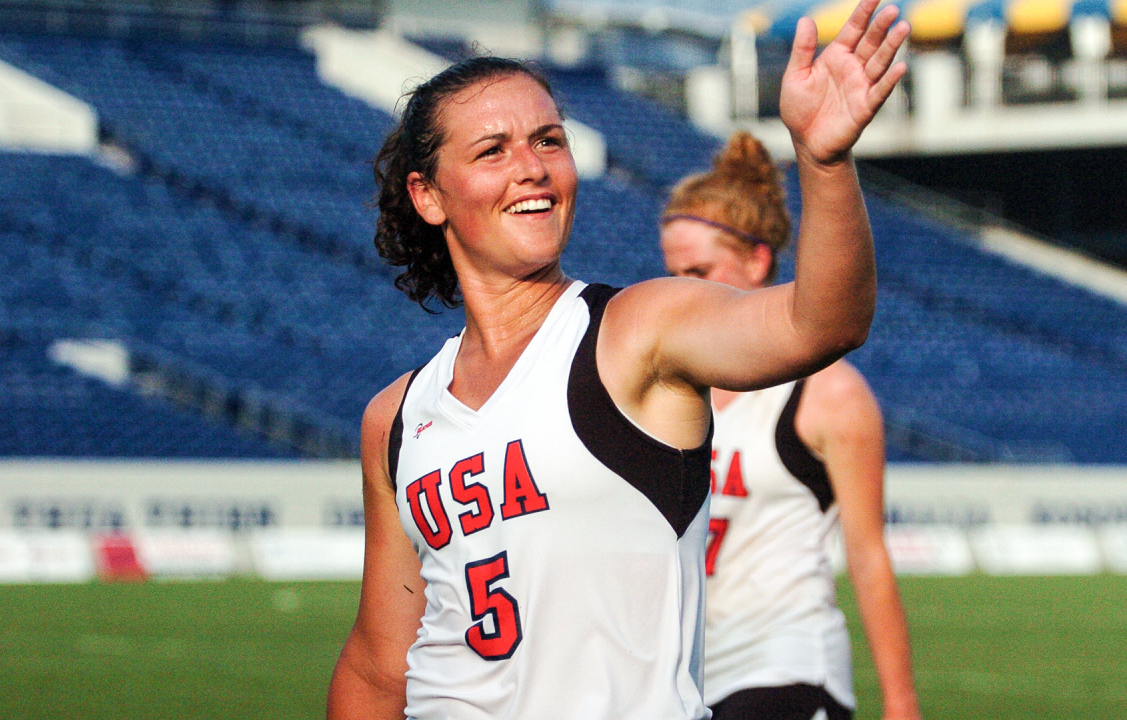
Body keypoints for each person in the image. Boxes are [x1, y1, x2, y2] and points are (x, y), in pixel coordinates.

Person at [326, 2, 910, 717]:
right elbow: (379, 667)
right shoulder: (395, 418)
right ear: (428, 195)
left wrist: (823, 161)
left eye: (548, 140)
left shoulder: (637, 329)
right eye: (492, 151)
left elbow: (822, 323)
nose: (531, 169)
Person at [660, 130, 922, 720]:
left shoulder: (828, 394)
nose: (681, 291)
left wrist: (902, 704)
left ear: (758, 260)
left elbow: (868, 554)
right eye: (673, 273)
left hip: (787, 668)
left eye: (699, 270)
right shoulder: (668, 386)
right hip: (687, 678)